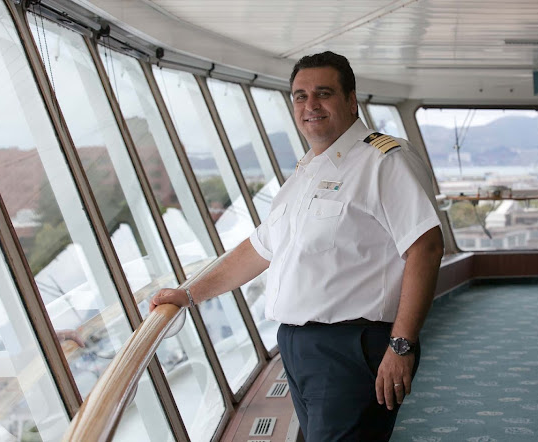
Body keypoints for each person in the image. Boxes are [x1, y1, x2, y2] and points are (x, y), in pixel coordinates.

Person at [150, 50, 444, 441]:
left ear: (351, 100)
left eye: (323, 93)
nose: (310, 105)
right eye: (300, 96)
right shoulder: (307, 173)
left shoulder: (385, 161)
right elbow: (258, 250)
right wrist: (188, 293)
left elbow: (426, 248)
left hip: (353, 348)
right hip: (299, 348)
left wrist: (402, 345)